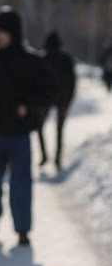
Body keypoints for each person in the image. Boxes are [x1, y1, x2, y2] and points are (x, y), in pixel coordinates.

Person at [0, 6, 54, 246]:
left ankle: (22, 229)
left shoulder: (31, 60)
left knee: (21, 182)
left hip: (19, 133)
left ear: (13, 32)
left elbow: (48, 91)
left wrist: (28, 106)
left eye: (0, 31)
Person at [36, 31, 76, 171]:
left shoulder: (43, 57)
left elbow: (37, 81)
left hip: (46, 98)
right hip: (62, 98)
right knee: (59, 129)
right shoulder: (66, 58)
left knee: (39, 126)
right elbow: (72, 81)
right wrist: (69, 99)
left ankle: (44, 155)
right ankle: (57, 157)